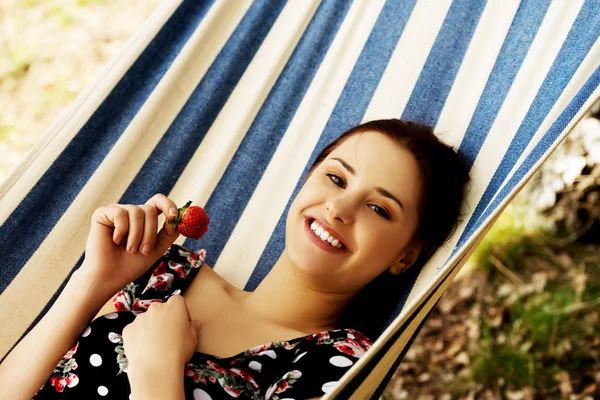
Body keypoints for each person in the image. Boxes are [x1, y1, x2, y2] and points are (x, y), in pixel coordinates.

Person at [11, 119, 470, 399]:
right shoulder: (166, 274)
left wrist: (157, 376)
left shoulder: (335, 367)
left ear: (407, 256)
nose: (338, 208)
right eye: (335, 178)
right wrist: (92, 281)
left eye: (378, 208)